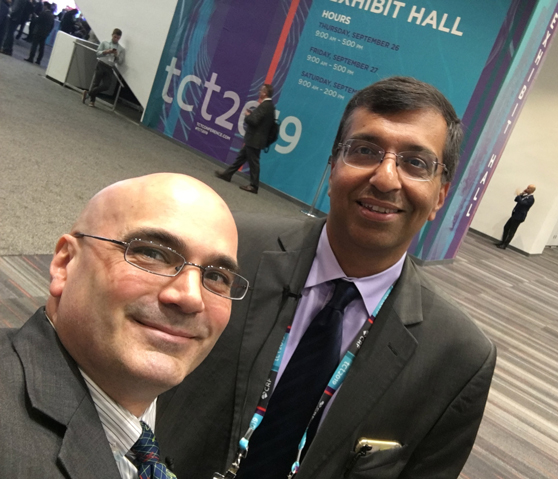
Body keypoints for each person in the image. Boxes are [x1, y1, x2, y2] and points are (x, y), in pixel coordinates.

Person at [158, 77, 497, 479]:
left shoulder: (458, 358)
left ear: (440, 194)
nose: (386, 178)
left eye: (415, 163)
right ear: (333, 165)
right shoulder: (227, 253)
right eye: (365, 151)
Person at [0, 173, 248, 477]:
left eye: (216, 276)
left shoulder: (151, 414)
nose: (190, 297)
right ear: (65, 264)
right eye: (151, 253)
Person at [215, 83, 276, 194]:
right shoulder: (270, 106)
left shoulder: (264, 106)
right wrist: (252, 115)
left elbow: (254, 121)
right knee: (241, 158)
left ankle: (254, 186)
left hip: (254, 140)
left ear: (265, 93)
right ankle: (227, 174)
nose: (259, 92)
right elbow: (261, 121)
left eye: (261, 90)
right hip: (256, 140)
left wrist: (248, 115)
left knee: (253, 163)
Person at [82, 27, 125, 107]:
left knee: (107, 85)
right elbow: (97, 53)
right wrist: (106, 52)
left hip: (110, 67)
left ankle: (88, 93)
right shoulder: (105, 43)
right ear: (112, 35)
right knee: (96, 83)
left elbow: (120, 62)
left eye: (118, 38)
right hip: (101, 64)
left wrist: (117, 55)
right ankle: (92, 101)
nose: (116, 39)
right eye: (115, 37)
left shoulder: (121, 49)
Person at [496, 184, 536, 249]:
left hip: (519, 217)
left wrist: (518, 195)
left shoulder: (531, 199)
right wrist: (521, 194)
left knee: (512, 231)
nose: (526, 189)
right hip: (515, 214)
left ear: (531, 190)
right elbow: (516, 200)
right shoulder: (525, 196)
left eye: (528, 188)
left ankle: (505, 245)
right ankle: (502, 242)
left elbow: (522, 203)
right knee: (506, 227)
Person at [23, 0, 53, 65]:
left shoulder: (43, 13)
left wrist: (34, 17)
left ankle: (31, 58)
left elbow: (37, 21)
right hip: (45, 33)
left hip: (38, 32)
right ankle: (38, 60)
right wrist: (48, 32)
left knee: (34, 45)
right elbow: (52, 26)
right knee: (41, 47)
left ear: (46, 6)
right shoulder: (51, 15)